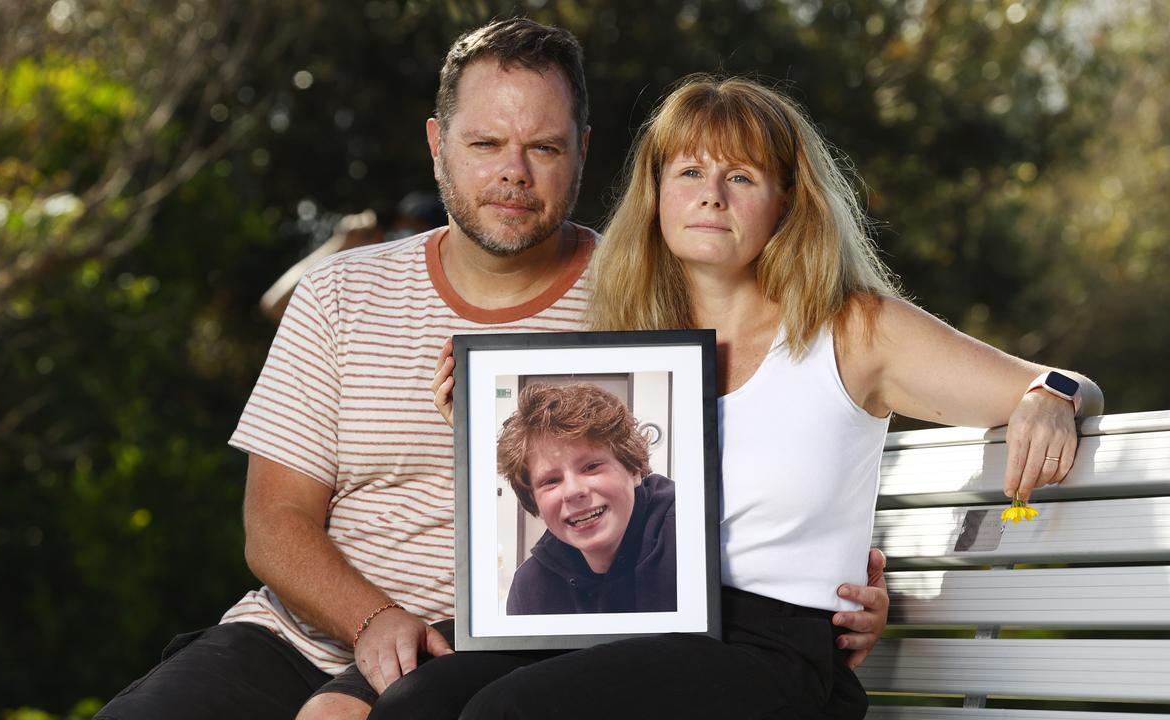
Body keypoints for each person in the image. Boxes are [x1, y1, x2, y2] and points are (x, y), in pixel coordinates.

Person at [94, 19, 888, 720]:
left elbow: (775, 427)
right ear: (438, 143)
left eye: (543, 147)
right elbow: (275, 525)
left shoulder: (649, 291)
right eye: (485, 145)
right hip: (297, 635)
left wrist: (833, 586)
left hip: (513, 648)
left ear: (583, 149)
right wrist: (372, 622)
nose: (514, 172)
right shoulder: (341, 293)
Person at [443, 75, 1104, 719]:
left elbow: (1054, 383)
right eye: (691, 174)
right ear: (655, 196)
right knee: (421, 701)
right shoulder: (631, 349)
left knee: (515, 708)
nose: (712, 197)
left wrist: (1052, 394)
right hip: (641, 629)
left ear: (785, 203)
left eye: (741, 177)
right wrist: (480, 427)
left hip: (774, 652)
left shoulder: (853, 329)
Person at [498, 383, 676, 615]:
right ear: (536, 504)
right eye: (551, 481)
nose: (573, 491)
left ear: (634, 470)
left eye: (591, 467)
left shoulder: (692, 533)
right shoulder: (530, 588)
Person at [258, 192, 446, 323]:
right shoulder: (369, 305)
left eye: (412, 233)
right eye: (394, 233)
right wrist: (340, 243)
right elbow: (276, 304)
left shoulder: (439, 311)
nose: (401, 242)